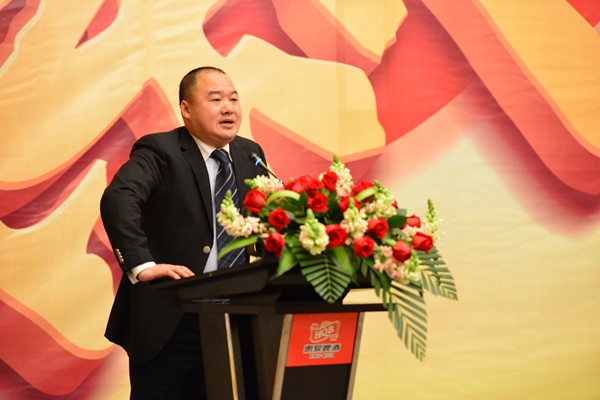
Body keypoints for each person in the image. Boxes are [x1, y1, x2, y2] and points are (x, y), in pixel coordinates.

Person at [100, 66, 268, 399]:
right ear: (186, 109)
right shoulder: (161, 151)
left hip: (234, 315)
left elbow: (265, 221)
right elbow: (120, 197)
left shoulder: (250, 154)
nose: (228, 108)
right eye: (216, 99)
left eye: (234, 99)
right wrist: (142, 265)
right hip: (173, 316)